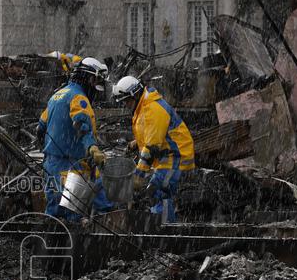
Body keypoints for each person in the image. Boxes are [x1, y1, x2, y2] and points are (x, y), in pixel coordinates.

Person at [37, 57, 111, 219]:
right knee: (73, 211)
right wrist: (92, 148)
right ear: (89, 77)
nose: (96, 86)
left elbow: (41, 125)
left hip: (52, 163)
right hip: (71, 164)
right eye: (96, 80)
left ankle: (50, 241)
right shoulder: (78, 97)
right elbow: (81, 126)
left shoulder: (58, 94)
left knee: (55, 211)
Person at [113, 76, 195, 222]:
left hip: (176, 155)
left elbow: (151, 146)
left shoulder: (153, 109)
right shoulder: (143, 105)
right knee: (156, 191)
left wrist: (138, 175)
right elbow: (152, 132)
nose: (125, 104)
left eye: (126, 100)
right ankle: (161, 226)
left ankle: (164, 231)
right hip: (165, 154)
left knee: (157, 191)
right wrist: (135, 143)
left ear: (135, 94)